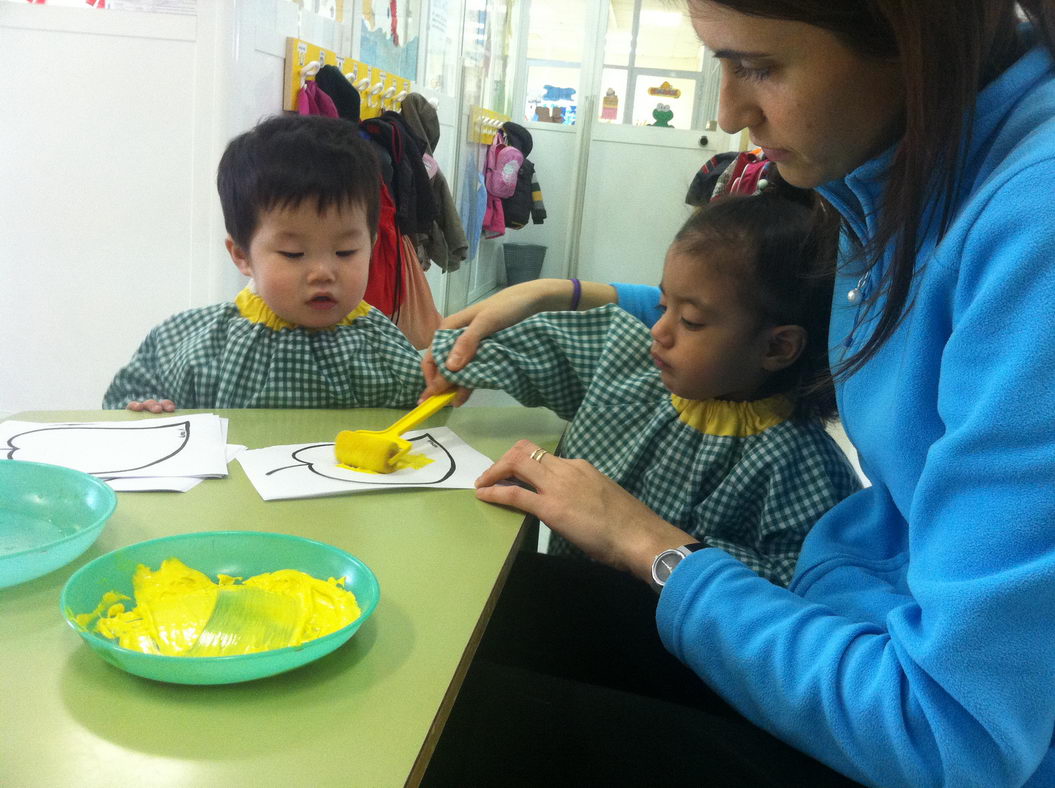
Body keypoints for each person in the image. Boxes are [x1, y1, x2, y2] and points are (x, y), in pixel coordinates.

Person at [422, 1, 1055, 785]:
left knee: (462, 734)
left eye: (757, 66)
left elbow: (954, 738)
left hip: (916, 728)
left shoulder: (1032, 224)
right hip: (854, 620)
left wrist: (647, 543)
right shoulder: (909, 165)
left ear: (912, 37)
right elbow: (743, 317)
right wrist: (565, 290)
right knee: (472, 630)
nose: (727, 114)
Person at [429, 189, 860, 586]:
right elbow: (543, 347)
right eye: (662, 304)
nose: (658, 330)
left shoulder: (803, 468)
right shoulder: (628, 367)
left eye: (690, 321)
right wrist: (458, 355)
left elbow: (792, 595)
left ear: (778, 346)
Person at [103, 114, 423, 412]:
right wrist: (147, 411)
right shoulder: (194, 341)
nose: (324, 272)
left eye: (346, 251)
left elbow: (429, 414)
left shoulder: (380, 345)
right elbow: (125, 399)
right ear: (242, 256)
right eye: (293, 254)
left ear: (372, 245)